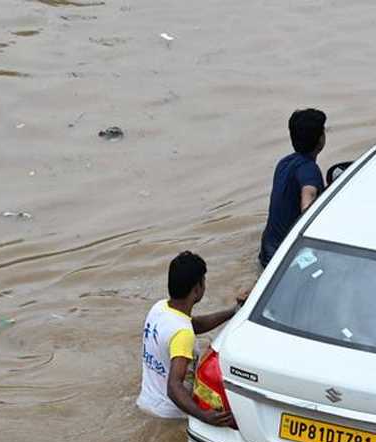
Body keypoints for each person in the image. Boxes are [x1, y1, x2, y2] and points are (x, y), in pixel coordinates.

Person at [136, 251, 246, 424]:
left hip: (146, 404)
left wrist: (233, 312)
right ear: (197, 290)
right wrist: (204, 416)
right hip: (171, 416)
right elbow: (174, 387)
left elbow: (194, 325)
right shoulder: (183, 334)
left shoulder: (160, 309)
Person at [258, 108, 327, 267]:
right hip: (288, 258)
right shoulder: (310, 170)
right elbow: (307, 199)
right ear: (320, 139)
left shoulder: (283, 163)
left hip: (268, 248)